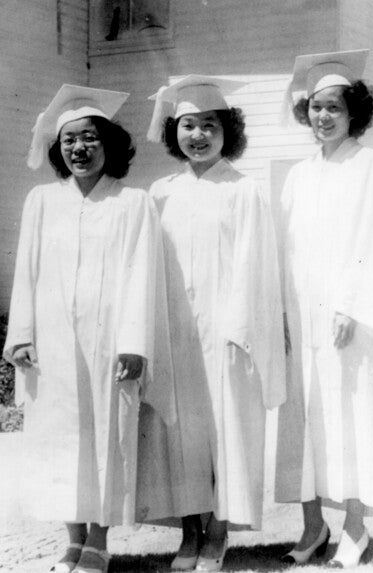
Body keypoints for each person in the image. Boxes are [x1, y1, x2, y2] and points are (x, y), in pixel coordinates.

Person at [3, 84, 175, 573]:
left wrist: (135, 343)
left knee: (105, 436)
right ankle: (72, 540)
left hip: (109, 343)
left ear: (111, 143)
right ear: (59, 149)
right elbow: (27, 272)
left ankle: (99, 540)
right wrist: (20, 334)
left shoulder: (133, 202)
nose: (79, 148)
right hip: (53, 345)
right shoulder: (41, 200)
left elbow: (144, 274)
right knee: (59, 441)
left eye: (90, 138)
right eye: (69, 141)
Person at [145, 75, 286, 572]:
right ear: (174, 132)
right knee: (180, 434)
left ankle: (219, 533)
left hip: (228, 336)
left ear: (228, 131)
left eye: (209, 125)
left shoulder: (245, 191)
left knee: (227, 433)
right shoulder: (160, 193)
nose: (198, 135)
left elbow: (257, 268)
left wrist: (238, 330)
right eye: (188, 125)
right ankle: (189, 531)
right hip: (175, 334)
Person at [275, 50, 373, 568]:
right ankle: (311, 527)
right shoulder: (298, 175)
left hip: (350, 318)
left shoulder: (372, 166)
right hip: (302, 315)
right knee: (304, 419)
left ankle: (354, 527)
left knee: (350, 418)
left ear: (354, 113)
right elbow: (284, 249)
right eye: (316, 107)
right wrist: (280, 312)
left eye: (334, 108)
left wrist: (350, 305)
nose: (323, 117)